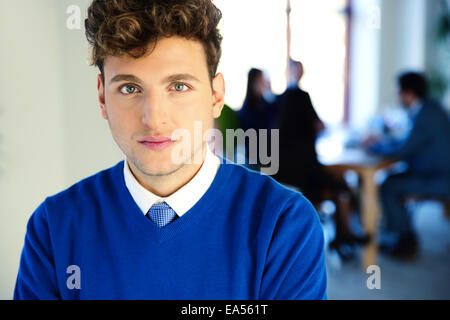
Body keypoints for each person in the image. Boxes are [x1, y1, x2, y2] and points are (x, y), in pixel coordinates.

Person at [13, 0, 326, 299]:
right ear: (102, 99)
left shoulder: (283, 226)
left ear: (216, 96)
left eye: (179, 86)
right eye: (129, 88)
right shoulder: (54, 227)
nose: (154, 119)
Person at [273, 59, 369, 260]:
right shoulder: (301, 108)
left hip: (288, 182)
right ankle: (346, 237)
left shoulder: (279, 113)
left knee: (337, 186)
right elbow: (314, 165)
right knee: (341, 187)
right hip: (304, 183)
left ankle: (344, 238)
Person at [367, 72, 450, 260]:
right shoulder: (429, 109)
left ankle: (406, 241)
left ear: (408, 93)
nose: (397, 96)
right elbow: (408, 141)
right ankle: (400, 234)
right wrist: (383, 142)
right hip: (433, 172)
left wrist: (375, 146)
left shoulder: (426, 116)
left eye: (399, 92)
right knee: (392, 180)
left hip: (438, 178)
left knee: (389, 186)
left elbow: (403, 150)